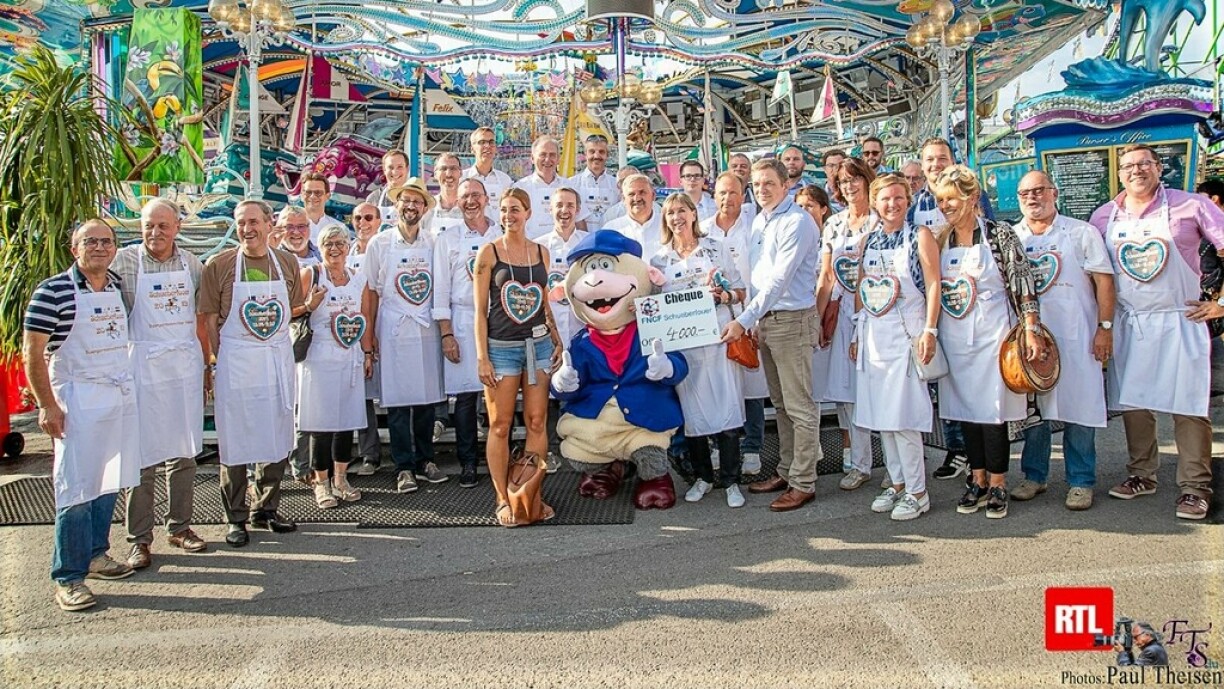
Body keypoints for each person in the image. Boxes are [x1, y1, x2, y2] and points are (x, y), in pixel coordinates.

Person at [1089, 144, 1224, 520]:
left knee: (1189, 406)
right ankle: (1141, 474)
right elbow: (1097, 275)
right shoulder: (1103, 216)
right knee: (1134, 403)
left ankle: (1195, 486)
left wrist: (1222, 305)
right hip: (1130, 323)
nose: (1136, 171)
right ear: (1119, 174)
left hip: (1181, 319)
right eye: (1129, 166)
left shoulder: (1191, 205)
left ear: (1159, 167)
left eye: (1144, 164)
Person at [24, 220, 140, 611]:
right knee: (75, 488)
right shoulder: (52, 291)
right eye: (90, 241)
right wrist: (47, 404)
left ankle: (96, 553)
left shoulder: (115, 288)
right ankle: (68, 576)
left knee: (107, 481)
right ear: (74, 248)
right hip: (76, 401)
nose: (99, 247)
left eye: (106, 241)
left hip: (114, 398)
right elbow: (34, 353)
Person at [932, 165, 1048, 520]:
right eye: (940, 200)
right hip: (955, 339)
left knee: (993, 413)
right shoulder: (940, 239)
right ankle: (977, 478)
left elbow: (1022, 281)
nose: (945, 206)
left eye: (951, 198)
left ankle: (998, 482)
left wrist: (1031, 327)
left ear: (972, 197)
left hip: (994, 336)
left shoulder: (999, 234)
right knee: (966, 412)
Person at [110, 199, 208, 569]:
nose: (156, 233)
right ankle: (139, 539)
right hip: (142, 369)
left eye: (163, 226)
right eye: (149, 225)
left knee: (183, 452)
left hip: (182, 368)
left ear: (177, 228)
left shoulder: (193, 265)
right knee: (142, 457)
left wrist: (206, 367)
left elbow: (201, 319)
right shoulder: (123, 263)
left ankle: (180, 527)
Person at [199, 200, 302, 547]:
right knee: (236, 441)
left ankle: (267, 508)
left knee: (275, 433)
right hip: (237, 362)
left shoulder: (287, 262)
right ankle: (235, 516)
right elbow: (210, 318)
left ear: (270, 223)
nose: (248, 229)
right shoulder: (220, 264)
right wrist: (219, 358)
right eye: (242, 223)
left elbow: (292, 309)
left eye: (254, 221)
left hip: (274, 361)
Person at [721, 158, 823, 512]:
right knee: (781, 404)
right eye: (758, 184)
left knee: (800, 406)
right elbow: (757, 277)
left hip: (791, 319)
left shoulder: (797, 222)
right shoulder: (761, 221)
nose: (762, 189)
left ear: (786, 186)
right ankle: (787, 470)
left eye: (769, 184)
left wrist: (745, 317)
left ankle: (804, 481)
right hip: (767, 321)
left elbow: (780, 280)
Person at [1011, 171, 1115, 511]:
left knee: (1080, 409)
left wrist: (1104, 328)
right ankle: (1035, 476)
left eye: (1039, 190)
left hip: (1077, 336)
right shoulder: (1012, 236)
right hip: (1031, 342)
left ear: (1054, 193)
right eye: (1025, 192)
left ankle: (1081, 481)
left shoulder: (1081, 232)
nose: (1032, 198)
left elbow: (1103, 282)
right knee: (1036, 413)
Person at [849, 174, 942, 520]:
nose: (893, 204)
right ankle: (898, 483)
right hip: (875, 338)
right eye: (886, 199)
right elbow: (861, 292)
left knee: (904, 418)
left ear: (908, 200)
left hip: (907, 336)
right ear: (875, 202)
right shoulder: (869, 240)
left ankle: (918, 491)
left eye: (899, 198)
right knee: (882, 419)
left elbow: (934, 285)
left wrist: (930, 330)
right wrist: (857, 335)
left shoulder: (920, 236)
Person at [474, 188, 563, 526]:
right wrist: (483, 357)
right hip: (501, 349)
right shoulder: (490, 252)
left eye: (515, 209)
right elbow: (480, 311)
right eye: (504, 210)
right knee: (500, 424)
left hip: (537, 346)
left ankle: (531, 493)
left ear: (527, 213)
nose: (509, 215)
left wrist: (557, 338)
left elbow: (542, 301)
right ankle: (502, 497)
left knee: (537, 422)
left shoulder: (541, 252)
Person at [653, 194, 747, 507]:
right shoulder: (659, 261)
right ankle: (704, 477)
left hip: (718, 339)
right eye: (670, 213)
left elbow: (741, 290)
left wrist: (724, 296)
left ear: (694, 214)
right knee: (693, 414)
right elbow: (653, 307)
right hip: (683, 349)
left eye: (682, 210)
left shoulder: (716, 249)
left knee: (727, 407)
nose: (676, 217)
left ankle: (732, 481)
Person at [907, 138, 992, 479]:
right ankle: (957, 448)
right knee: (943, 382)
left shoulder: (974, 195)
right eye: (929, 159)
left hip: (971, 301)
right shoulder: (915, 203)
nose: (934, 164)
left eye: (941, 158)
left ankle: (982, 459)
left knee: (974, 383)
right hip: (932, 303)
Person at [364, 178, 448, 493]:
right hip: (394, 329)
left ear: (425, 208)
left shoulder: (433, 242)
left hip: (425, 329)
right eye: (406, 201)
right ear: (396, 204)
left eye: (417, 202)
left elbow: (440, 286)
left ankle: (426, 459)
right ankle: (404, 466)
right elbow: (370, 292)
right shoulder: (380, 243)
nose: (411, 206)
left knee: (427, 399)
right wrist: (369, 337)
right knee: (398, 402)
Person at [433, 178, 504, 488]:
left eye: (476, 194)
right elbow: (441, 290)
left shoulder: (501, 234)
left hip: (500, 320)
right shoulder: (447, 239)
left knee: (499, 395)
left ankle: (499, 458)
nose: (471, 201)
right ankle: (469, 462)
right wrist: (446, 333)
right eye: (465, 197)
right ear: (457, 202)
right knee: (465, 398)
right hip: (462, 320)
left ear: (487, 198)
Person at [297, 226, 373, 507]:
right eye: (329, 243)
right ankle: (321, 482)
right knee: (321, 423)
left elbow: (364, 316)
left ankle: (341, 478)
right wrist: (309, 304)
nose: (335, 249)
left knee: (346, 421)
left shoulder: (358, 279)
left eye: (340, 243)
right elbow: (291, 308)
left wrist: (367, 353)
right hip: (319, 357)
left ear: (348, 246)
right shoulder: (311, 274)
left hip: (349, 356)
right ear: (321, 247)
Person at [815, 157, 877, 489]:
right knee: (846, 393)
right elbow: (826, 276)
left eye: (855, 179)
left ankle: (898, 468)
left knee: (878, 391)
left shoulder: (881, 220)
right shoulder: (834, 224)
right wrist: (816, 317)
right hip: (840, 317)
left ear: (867, 180)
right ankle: (860, 462)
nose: (849, 185)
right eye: (843, 181)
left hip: (876, 317)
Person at [702, 172, 767, 475]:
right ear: (713, 196)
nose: (727, 198)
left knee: (752, 384)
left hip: (750, 312)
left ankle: (752, 446)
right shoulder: (702, 229)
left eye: (733, 192)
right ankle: (719, 444)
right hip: (714, 320)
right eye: (721, 193)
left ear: (744, 195)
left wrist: (752, 315)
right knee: (721, 385)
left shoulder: (756, 227)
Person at [539, 187, 588, 470]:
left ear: (578, 209)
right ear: (550, 209)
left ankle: (581, 449)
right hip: (550, 329)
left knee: (581, 388)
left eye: (570, 205)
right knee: (548, 394)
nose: (564, 210)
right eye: (559, 205)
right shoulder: (540, 246)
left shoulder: (587, 245)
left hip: (583, 328)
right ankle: (550, 449)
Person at [346, 202, 384, 475]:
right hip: (351, 332)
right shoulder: (345, 253)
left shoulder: (384, 249)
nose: (363, 222)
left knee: (388, 394)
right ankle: (362, 454)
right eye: (358, 218)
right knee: (357, 396)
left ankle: (384, 454)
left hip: (382, 328)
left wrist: (375, 334)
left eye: (368, 217)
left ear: (379, 220)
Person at [795, 184, 836, 423]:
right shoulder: (793, 239)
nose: (804, 210)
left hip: (829, 316)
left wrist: (819, 318)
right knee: (809, 387)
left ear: (823, 209)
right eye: (799, 206)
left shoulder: (831, 238)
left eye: (809, 205)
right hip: (803, 319)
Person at [514, 136, 569, 240]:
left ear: (558, 159)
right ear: (532, 158)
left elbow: (579, 221)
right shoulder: (520, 188)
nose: (547, 160)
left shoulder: (569, 186)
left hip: (562, 248)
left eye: (552, 155)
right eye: (542, 154)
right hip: (530, 248)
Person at [605, 174, 664, 259]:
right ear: (623, 199)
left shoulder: (667, 225)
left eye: (642, 192)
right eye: (631, 194)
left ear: (653, 196)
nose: (637, 198)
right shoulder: (611, 230)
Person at [463, 126, 515, 218]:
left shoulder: (505, 180)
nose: (487, 146)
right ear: (472, 149)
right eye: (482, 142)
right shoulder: (462, 179)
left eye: (491, 142)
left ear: (496, 148)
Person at [572, 134, 617, 231]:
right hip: (581, 241)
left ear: (607, 155)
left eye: (601, 152)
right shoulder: (572, 184)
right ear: (585, 154)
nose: (596, 156)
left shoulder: (616, 185)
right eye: (592, 152)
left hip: (609, 240)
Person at [300, 172, 348, 243]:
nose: (312, 196)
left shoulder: (340, 228)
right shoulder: (290, 227)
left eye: (318, 193)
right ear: (301, 196)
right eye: (308, 192)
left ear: (327, 196)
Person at [425, 152, 465, 235]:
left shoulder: (469, 206)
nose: (448, 174)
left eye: (453, 168)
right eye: (443, 169)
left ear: (460, 173)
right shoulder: (427, 208)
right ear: (435, 174)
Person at [367, 149, 411, 224]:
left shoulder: (416, 197)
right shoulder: (374, 198)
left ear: (407, 169)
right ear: (384, 170)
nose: (395, 172)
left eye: (400, 167)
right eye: (390, 167)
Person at [822, 149, 847, 213]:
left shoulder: (854, 192)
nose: (835, 169)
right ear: (825, 169)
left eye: (839, 165)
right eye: (831, 165)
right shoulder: (817, 193)